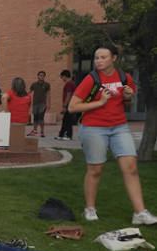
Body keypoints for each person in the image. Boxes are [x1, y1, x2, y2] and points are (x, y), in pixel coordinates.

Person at [67, 43, 156, 225]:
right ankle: (90, 209)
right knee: (95, 171)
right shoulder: (91, 79)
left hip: (119, 127)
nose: (98, 61)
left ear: (114, 58)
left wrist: (128, 97)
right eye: (96, 58)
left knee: (131, 169)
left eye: (103, 57)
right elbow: (72, 107)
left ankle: (140, 213)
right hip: (94, 128)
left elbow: (127, 104)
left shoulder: (124, 77)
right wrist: (100, 102)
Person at [28, 71, 51, 137]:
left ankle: (42, 131)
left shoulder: (47, 84)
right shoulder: (34, 84)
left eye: (43, 75)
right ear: (38, 76)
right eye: (40, 75)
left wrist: (49, 104)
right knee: (35, 117)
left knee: (41, 117)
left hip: (42, 103)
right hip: (35, 103)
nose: (42, 77)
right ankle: (34, 131)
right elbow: (29, 92)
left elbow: (48, 94)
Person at [56, 70, 76, 140]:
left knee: (68, 120)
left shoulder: (69, 84)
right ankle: (61, 134)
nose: (62, 79)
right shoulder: (71, 83)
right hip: (69, 104)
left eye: (61, 77)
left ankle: (68, 135)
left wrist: (65, 106)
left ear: (64, 76)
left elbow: (69, 95)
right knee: (65, 120)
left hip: (69, 104)